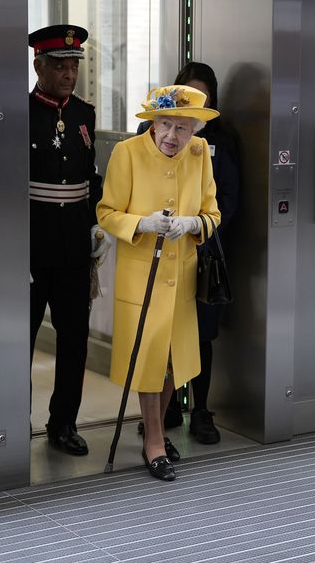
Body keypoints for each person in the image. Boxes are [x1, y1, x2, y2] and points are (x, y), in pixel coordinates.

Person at [97, 85, 220, 480]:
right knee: (149, 357)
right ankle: (154, 441)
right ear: (153, 122)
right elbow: (106, 212)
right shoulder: (127, 153)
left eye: (183, 129)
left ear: (195, 131)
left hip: (181, 276)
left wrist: (192, 224)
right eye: (165, 124)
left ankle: (157, 431)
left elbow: (212, 213)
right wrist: (141, 223)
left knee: (172, 361)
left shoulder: (200, 157)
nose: (172, 136)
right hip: (141, 276)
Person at [137, 62, 239, 444]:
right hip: (157, 251)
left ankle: (200, 410)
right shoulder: (150, 137)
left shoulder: (220, 143)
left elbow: (228, 200)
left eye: (202, 99)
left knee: (199, 336)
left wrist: (197, 226)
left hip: (203, 252)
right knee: (158, 339)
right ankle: (160, 418)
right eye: (184, 97)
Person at [28, 25, 111, 456]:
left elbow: (89, 177)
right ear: (38, 64)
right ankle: (11, 420)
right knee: (18, 338)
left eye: (73, 64)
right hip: (30, 248)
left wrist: (97, 222)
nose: (68, 72)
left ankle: (63, 423)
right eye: (59, 64)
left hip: (73, 250)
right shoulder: (19, 113)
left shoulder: (83, 113)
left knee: (74, 338)